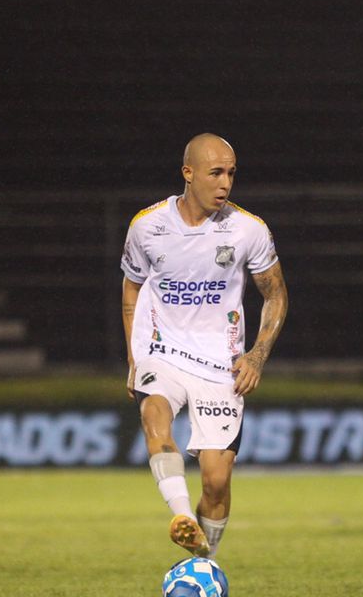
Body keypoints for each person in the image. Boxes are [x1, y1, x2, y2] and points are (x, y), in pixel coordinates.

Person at [121, 133, 289, 561]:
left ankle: (203, 561)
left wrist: (256, 355)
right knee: (153, 413)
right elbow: (132, 289)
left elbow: (276, 294)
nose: (225, 183)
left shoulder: (248, 230)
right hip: (163, 350)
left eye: (231, 173)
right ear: (188, 173)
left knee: (216, 481)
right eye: (216, 172)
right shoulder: (148, 226)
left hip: (219, 364)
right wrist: (134, 356)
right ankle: (180, 515)